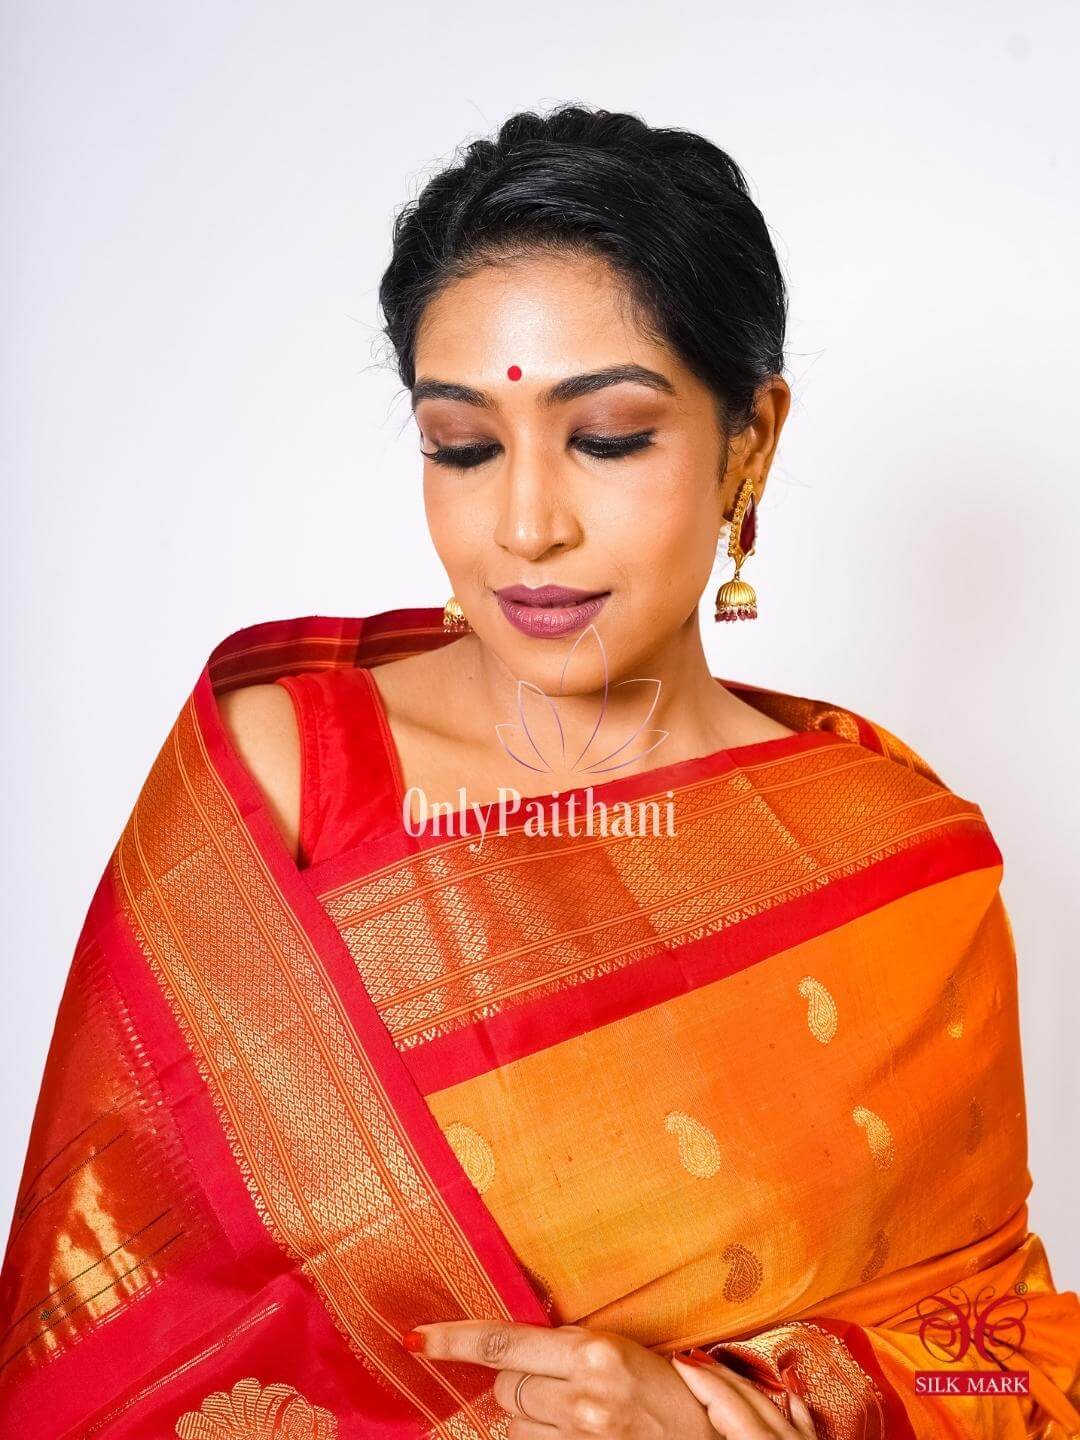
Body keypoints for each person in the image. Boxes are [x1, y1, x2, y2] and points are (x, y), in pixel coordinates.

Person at [1, 104, 1077, 1440]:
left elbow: (1004, 1362)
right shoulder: (287, 788)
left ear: (750, 442)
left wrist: (746, 1414)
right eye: (463, 447)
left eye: (609, 437)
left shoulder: (895, 863)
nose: (524, 525)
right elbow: (94, 1356)